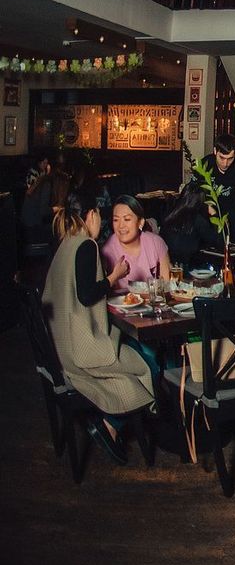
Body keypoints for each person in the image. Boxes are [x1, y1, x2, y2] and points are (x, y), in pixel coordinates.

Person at [42, 190, 154, 464]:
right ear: (91, 214)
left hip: (60, 346)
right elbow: (87, 295)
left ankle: (112, 425)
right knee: (147, 362)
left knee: (138, 357)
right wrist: (115, 276)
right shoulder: (86, 245)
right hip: (82, 350)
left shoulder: (66, 243)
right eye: (101, 216)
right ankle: (113, 425)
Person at [100, 196, 171, 293]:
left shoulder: (156, 243)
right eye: (116, 220)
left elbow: (166, 286)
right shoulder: (107, 250)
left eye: (127, 219)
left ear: (140, 222)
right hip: (120, 302)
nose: (121, 226)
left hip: (153, 300)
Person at [160, 182, 223, 268]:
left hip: (168, 262)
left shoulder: (171, 214)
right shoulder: (197, 219)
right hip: (189, 265)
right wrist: (214, 214)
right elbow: (217, 241)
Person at [198, 134, 235, 240]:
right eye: (222, 158)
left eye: (230, 159)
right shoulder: (205, 164)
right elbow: (194, 191)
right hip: (207, 214)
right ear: (215, 151)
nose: (225, 163)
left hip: (231, 214)